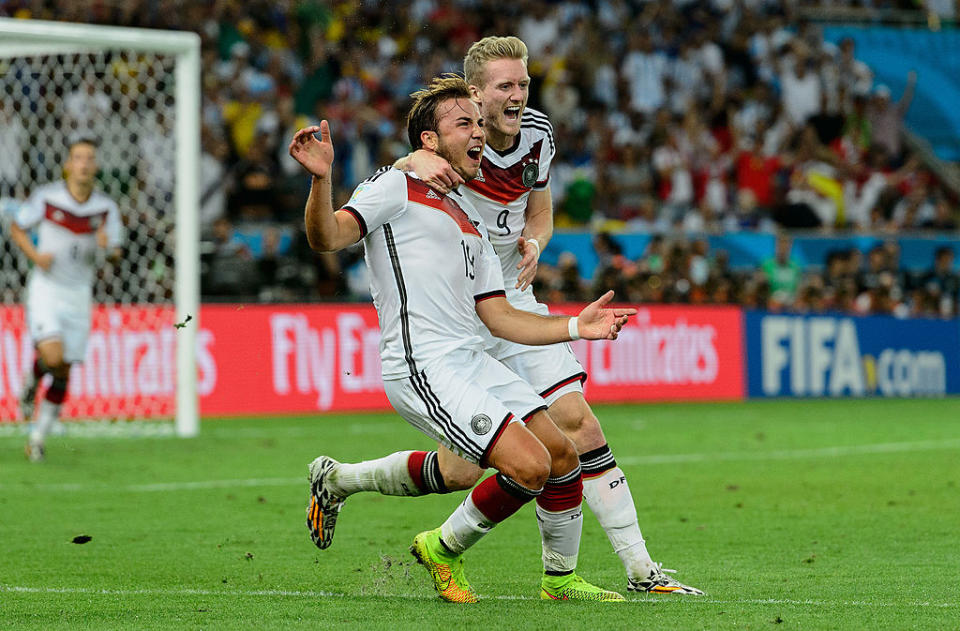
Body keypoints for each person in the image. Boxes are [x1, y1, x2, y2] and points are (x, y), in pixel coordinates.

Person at [308, 36, 703, 596]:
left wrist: (537, 248)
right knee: (480, 468)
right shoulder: (428, 165)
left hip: (502, 294)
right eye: (504, 87)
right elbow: (376, 196)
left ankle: (632, 572)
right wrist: (396, 162)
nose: (517, 97)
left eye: (524, 84)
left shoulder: (533, 138)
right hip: (448, 320)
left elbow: (537, 216)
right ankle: (361, 490)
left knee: (573, 433)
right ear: (472, 97)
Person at [10, 138, 122, 461]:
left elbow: (115, 253)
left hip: (79, 293)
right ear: (68, 164)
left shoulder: (105, 208)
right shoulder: (47, 197)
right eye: (78, 157)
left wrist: (106, 248)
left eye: (89, 158)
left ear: (96, 166)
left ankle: (37, 438)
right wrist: (35, 255)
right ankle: (32, 379)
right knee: (54, 356)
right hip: (47, 288)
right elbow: (18, 227)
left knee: (64, 370)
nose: (84, 163)